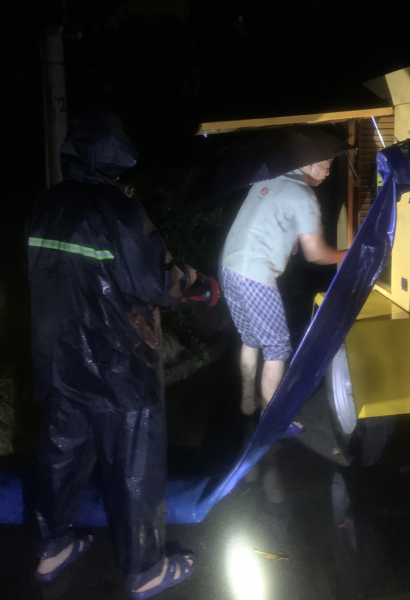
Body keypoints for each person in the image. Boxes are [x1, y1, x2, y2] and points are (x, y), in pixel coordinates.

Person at [27, 112, 217, 598]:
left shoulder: (46, 205)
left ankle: (52, 547)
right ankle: (145, 569)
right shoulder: (120, 212)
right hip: (120, 365)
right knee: (135, 467)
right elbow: (157, 282)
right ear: (117, 158)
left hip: (60, 360)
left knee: (61, 456)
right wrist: (199, 284)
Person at [220, 160, 346, 436]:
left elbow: (266, 224)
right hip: (255, 275)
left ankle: (248, 401)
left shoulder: (268, 180)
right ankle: (271, 422)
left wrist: (288, 242)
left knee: (250, 339)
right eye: (325, 166)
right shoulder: (303, 195)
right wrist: (349, 254)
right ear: (309, 164)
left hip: (229, 268)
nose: (328, 173)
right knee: (276, 349)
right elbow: (316, 254)